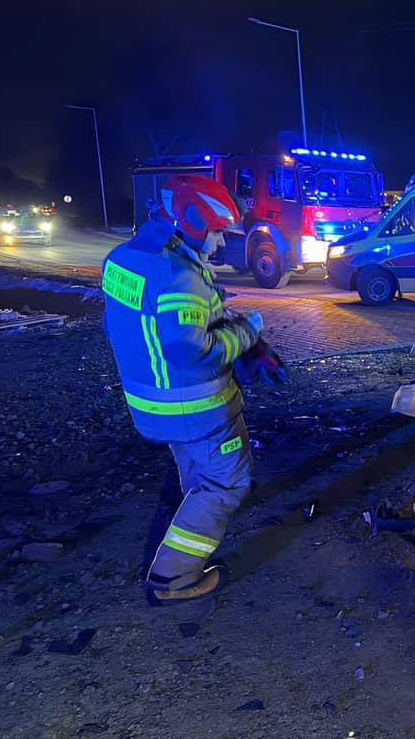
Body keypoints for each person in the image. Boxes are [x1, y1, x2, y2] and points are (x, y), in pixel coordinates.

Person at [102, 175, 265, 606]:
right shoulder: (179, 274)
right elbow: (190, 350)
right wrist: (247, 333)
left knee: (197, 473)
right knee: (226, 483)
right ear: (191, 224)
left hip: (152, 403)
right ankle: (173, 578)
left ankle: (193, 521)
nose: (220, 242)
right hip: (196, 408)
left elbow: (128, 324)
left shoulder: (125, 257)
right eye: (216, 232)